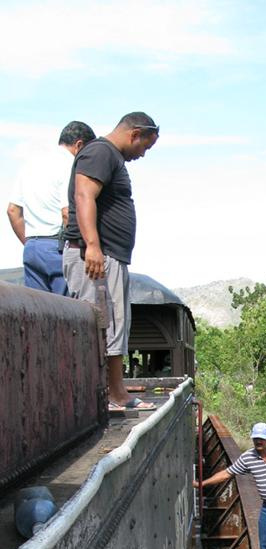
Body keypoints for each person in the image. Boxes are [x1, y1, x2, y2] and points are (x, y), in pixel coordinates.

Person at [62, 112, 160, 413]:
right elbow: (83, 195)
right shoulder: (101, 152)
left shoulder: (108, 156)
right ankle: (111, 395)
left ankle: (115, 391)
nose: (142, 154)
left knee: (114, 323)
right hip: (96, 256)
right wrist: (92, 245)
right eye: (145, 146)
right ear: (135, 134)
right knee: (104, 325)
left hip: (107, 255)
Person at [7, 121, 96, 294]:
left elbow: (12, 211)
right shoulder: (69, 165)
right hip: (58, 247)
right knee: (67, 312)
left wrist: (30, 243)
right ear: (79, 145)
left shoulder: (30, 165)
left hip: (32, 248)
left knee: (40, 312)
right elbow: (66, 212)